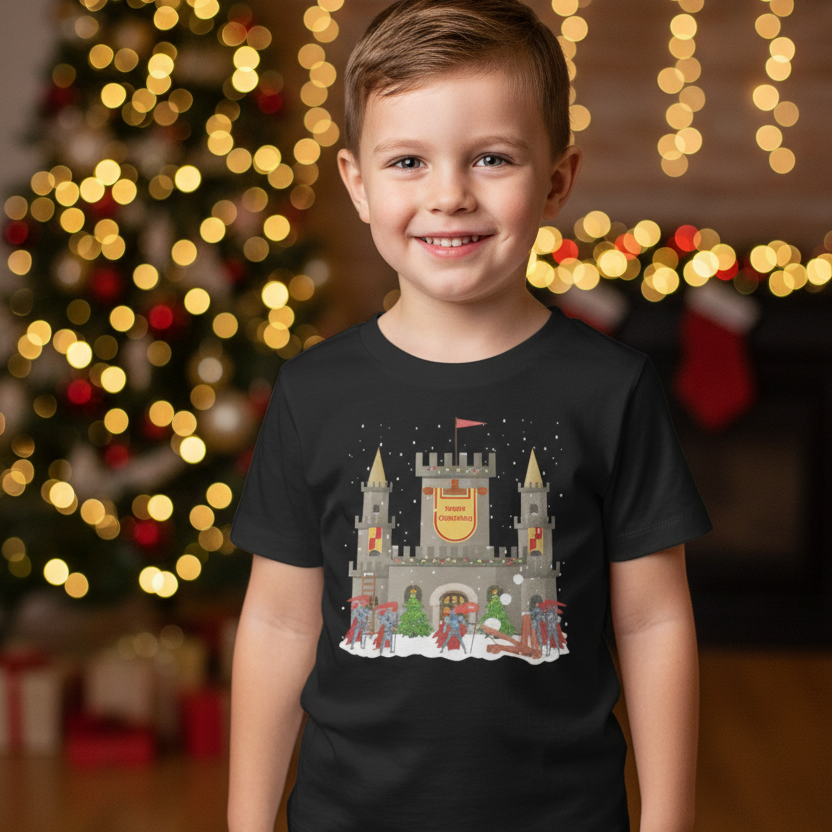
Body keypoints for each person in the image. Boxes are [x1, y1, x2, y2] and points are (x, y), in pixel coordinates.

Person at [227, 1, 712, 831]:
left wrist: (666, 821)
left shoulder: (611, 390)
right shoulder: (314, 392)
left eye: (491, 158)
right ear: (357, 183)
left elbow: (654, 618)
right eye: (409, 160)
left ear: (556, 181)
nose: (449, 195)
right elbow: (278, 620)